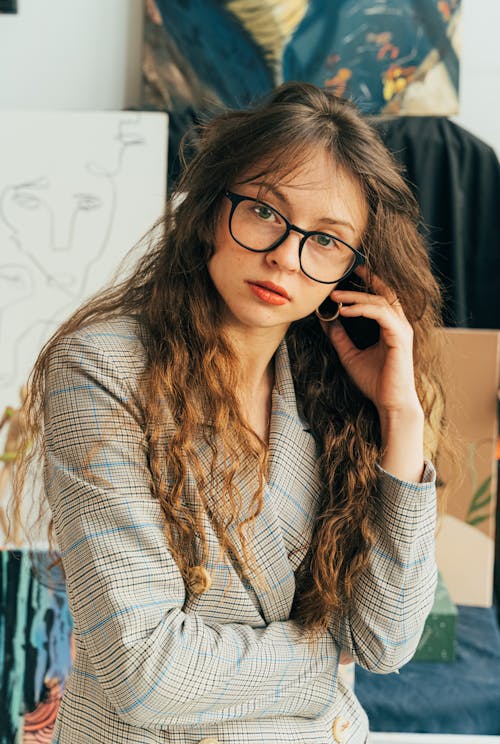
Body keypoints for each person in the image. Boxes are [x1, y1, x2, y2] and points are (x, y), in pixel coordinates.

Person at [13, 82, 447, 744]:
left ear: (352, 273)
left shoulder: (326, 392)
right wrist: (323, 662)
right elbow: (147, 672)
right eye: (266, 212)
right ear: (214, 208)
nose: (284, 255)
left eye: (326, 241)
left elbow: (385, 641)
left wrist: (400, 421)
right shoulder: (102, 369)